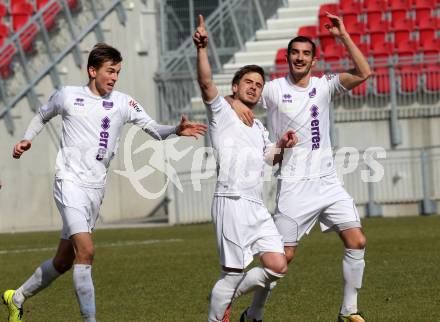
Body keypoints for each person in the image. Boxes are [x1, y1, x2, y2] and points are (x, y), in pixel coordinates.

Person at [3, 43, 207, 322]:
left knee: (63, 261)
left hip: (95, 189)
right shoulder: (67, 96)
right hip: (69, 182)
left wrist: (175, 130)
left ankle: (16, 298)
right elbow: (42, 114)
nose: (114, 77)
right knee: (86, 251)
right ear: (92, 70)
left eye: (118, 72)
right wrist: (28, 138)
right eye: (110, 71)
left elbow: (152, 129)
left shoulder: (123, 102)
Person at [232, 13, 371, 322]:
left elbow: (364, 72)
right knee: (282, 259)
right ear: (287, 57)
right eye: (294, 52)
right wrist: (237, 104)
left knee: (357, 241)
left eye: (306, 53)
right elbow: (237, 96)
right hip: (294, 185)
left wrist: (343, 35)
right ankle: (252, 313)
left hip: (327, 182)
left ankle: (349, 311)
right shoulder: (272, 89)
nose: (299, 57)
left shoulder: (325, 86)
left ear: (314, 60)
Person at [193, 15, 299, 322]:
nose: (253, 88)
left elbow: (270, 158)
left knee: (277, 265)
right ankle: (220, 311)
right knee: (232, 272)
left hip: (256, 207)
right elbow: (206, 83)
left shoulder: (259, 127)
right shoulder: (222, 111)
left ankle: (226, 297)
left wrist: (284, 144)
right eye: (248, 83)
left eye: (258, 85)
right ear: (235, 87)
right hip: (232, 202)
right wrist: (202, 48)